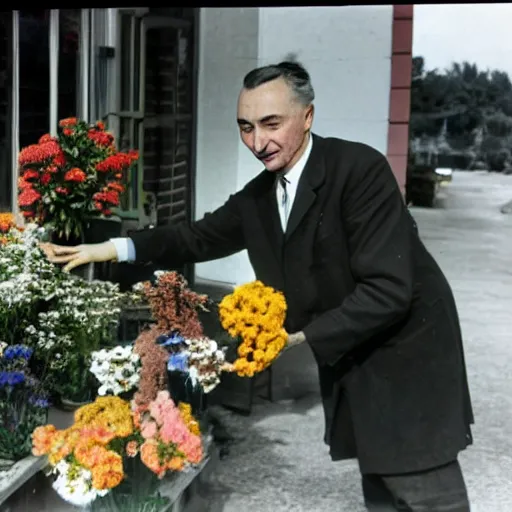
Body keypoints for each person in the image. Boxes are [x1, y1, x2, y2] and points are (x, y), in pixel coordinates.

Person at [42, 61, 473, 511]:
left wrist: (296, 337)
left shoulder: (357, 170)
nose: (257, 142)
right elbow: (196, 237)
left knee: (424, 487)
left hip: (406, 354)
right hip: (355, 348)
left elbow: (388, 290)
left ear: (307, 116)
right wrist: (109, 249)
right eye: (245, 127)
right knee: (382, 483)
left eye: (271, 124)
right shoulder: (263, 194)